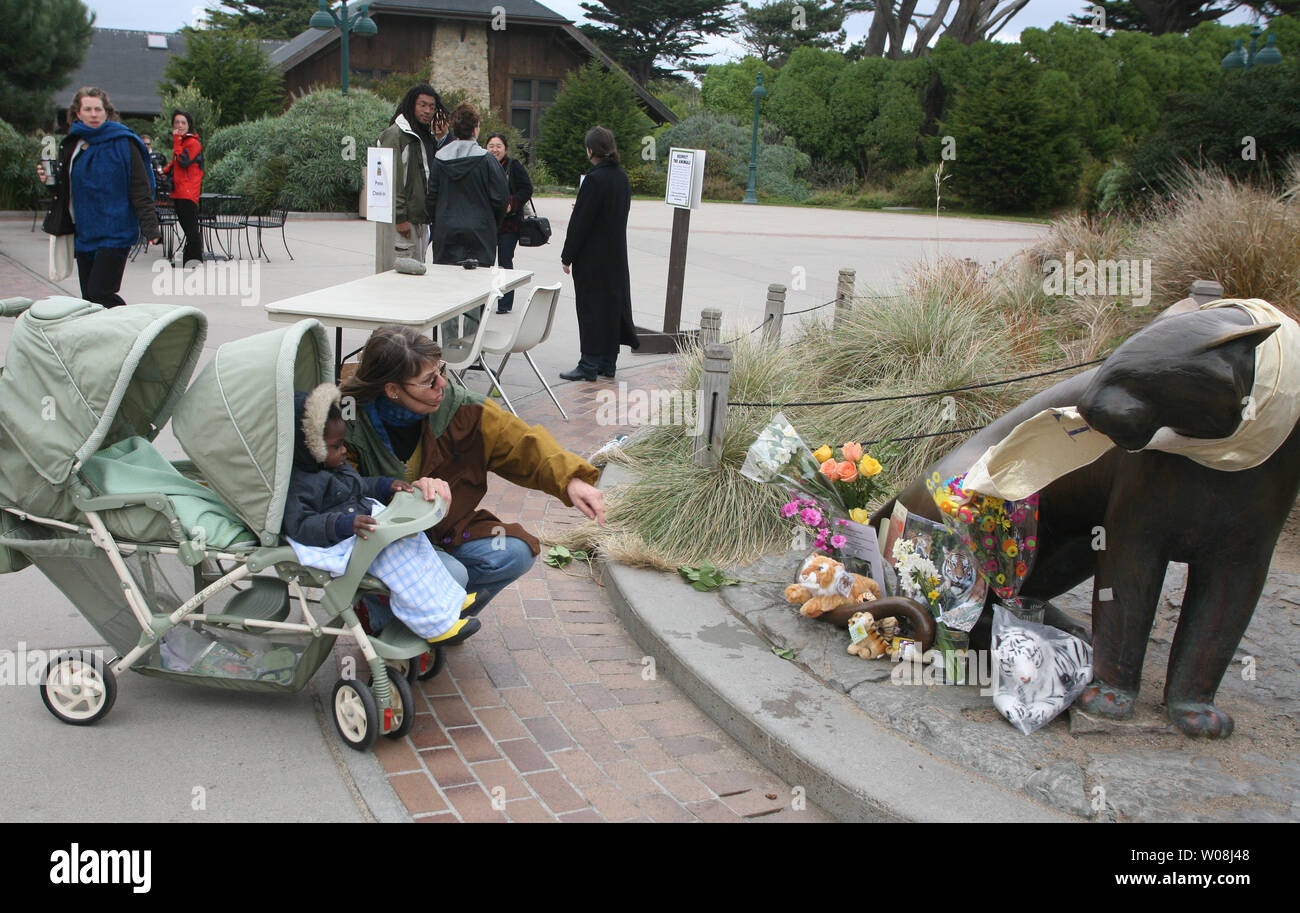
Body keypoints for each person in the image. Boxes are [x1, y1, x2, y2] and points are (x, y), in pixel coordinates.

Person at [340, 326, 606, 616]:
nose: (442, 384)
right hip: (381, 543)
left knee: (514, 552)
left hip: (445, 532)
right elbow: (343, 493)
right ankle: (385, 625)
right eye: (428, 381)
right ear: (392, 389)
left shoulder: (461, 408)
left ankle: (440, 622)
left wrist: (571, 480)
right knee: (452, 573)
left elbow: (519, 441)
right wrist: (404, 493)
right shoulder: (348, 419)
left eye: (440, 371)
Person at [284, 383, 480, 645]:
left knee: (413, 538)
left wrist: (384, 485)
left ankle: (450, 597)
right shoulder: (299, 485)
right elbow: (301, 525)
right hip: (335, 538)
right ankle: (434, 625)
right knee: (396, 559)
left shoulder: (332, 466)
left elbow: (358, 485)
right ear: (308, 447)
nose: (343, 451)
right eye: (336, 446)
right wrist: (342, 524)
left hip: (357, 522)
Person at [37, 87, 161, 308]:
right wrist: (49, 181)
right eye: (88, 109)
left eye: (98, 109)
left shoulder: (124, 142)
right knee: (89, 300)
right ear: (78, 113)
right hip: (85, 232)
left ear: (107, 112)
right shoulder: (73, 144)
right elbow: (66, 192)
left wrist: (151, 228)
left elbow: (140, 188)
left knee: (100, 292)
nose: (93, 114)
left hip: (116, 232)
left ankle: (135, 329)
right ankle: (104, 340)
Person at [559, 126, 639, 381]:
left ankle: (588, 363)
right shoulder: (621, 178)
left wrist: (567, 255)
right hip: (615, 255)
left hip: (592, 258)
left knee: (590, 308)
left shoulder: (594, 179)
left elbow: (582, 221)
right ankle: (608, 362)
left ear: (591, 149)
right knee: (610, 308)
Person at [377, 84, 448, 262]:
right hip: (403, 222)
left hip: (421, 221)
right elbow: (390, 178)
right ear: (411, 104)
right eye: (422, 105)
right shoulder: (395, 135)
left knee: (417, 269)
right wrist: (400, 217)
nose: (428, 111)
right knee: (403, 274)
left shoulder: (425, 136)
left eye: (432, 107)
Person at [485, 132, 533, 314]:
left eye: (498, 146)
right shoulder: (483, 164)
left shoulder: (513, 166)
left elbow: (527, 189)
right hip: (488, 223)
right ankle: (486, 300)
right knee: (487, 263)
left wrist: (511, 203)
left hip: (509, 224)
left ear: (505, 148)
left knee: (504, 262)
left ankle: (504, 303)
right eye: (491, 146)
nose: (495, 149)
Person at [163, 109, 204, 267]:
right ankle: (191, 258)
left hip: (188, 191)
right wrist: (165, 170)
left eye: (183, 122)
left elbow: (183, 161)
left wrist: (176, 140)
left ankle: (193, 259)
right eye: (177, 122)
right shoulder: (183, 142)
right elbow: (176, 164)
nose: (179, 125)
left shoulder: (192, 143)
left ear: (189, 125)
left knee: (191, 228)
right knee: (188, 227)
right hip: (179, 190)